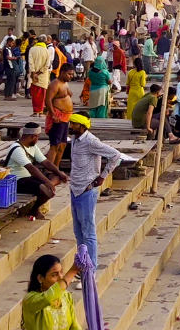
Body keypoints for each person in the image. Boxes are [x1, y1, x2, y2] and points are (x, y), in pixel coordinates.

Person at [67, 113, 123, 268]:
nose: (71, 126)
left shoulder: (91, 141)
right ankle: (82, 264)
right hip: (75, 189)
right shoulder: (74, 140)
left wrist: (103, 176)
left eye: (74, 124)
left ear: (82, 125)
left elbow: (115, 155)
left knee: (88, 233)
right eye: (71, 123)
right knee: (78, 233)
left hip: (87, 191)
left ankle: (91, 269)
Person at [2, 123, 68, 218]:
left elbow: (46, 162)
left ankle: (48, 187)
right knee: (46, 190)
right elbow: (31, 168)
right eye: (37, 137)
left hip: (29, 178)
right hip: (18, 181)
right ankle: (34, 210)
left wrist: (59, 173)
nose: (38, 139)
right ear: (33, 136)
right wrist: (47, 182)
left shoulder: (32, 146)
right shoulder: (17, 149)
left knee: (57, 176)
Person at [22, 254, 80, 330]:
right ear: (40, 278)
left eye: (61, 272)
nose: (60, 277)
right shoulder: (30, 300)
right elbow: (49, 298)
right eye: (54, 275)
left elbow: (74, 325)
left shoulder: (66, 296)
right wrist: (72, 272)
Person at [44, 64, 75, 167]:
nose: (71, 76)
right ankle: (49, 170)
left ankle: (56, 168)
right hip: (58, 117)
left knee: (62, 145)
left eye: (72, 74)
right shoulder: (55, 84)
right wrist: (53, 115)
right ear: (62, 73)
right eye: (69, 74)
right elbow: (48, 100)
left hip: (65, 118)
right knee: (55, 145)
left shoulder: (65, 83)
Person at [27, 35, 52, 115]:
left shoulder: (32, 49)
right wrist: (39, 72)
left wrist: (33, 72)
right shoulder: (47, 51)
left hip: (33, 75)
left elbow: (30, 62)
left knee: (34, 94)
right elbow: (47, 65)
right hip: (43, 75)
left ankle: (35, 111)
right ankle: (40, 111)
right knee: (42, 94)